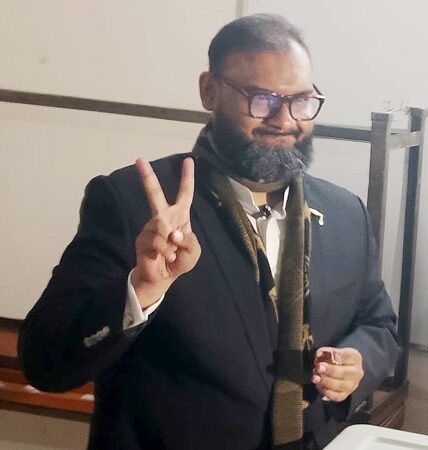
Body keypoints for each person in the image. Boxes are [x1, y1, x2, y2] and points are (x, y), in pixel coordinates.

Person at [18, 14, 401, 450]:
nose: (285, 119)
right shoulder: (134, 205)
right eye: (262, 99)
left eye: (301, 100)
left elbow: (379, 325)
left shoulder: (345, 213)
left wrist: (357, 363)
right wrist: (141, 290)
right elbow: (44, 362)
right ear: (210, 90)